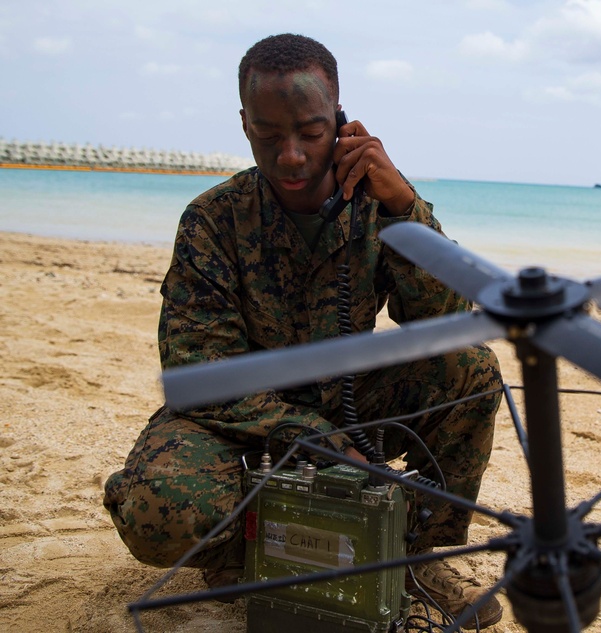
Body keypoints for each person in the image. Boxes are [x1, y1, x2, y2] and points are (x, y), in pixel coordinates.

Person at [103, 33, 504, 628]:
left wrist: (403, 207)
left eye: (311, 134)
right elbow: (196, 364)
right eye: (269, 136)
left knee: (471, 369)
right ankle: (248, 554)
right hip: (240, 417)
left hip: (350, 399)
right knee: (156, 509)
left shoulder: (375, 203)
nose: (290, 155)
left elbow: (443, 325)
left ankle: (412, 554)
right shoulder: (213, 218)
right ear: (244, 125)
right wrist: (310, 433)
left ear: (340, 122)